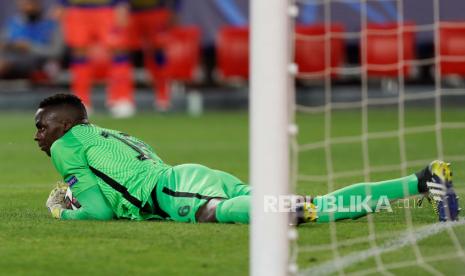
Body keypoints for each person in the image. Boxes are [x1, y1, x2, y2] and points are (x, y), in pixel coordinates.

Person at [36, 94, 460, 223]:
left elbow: (98, 212)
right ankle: (423, 179)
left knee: (215, 214)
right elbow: (114, 191)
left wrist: (62, 211)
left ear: (65, 124)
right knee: (324, 206)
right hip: (192, 175)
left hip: (171, 190)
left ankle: (282, 209)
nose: (39, 135)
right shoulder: (111, 133)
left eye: (44, 126)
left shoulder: (66, 145)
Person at [54, 0, 134, 118]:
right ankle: (81, 101)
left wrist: (122, 4)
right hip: (77, 9)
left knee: (118, 50)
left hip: (107, 8)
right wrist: (61, 4)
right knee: (79, 52)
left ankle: (121, 98)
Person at [126, 0, 180, 111]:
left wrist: (176, 9)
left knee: (158, 54)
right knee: (125, 51)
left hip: (157, 10)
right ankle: (124, 99)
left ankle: (163, 97)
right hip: (132, 12)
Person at [0, 0, 62, 79]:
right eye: (25, 3)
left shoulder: (51, 24)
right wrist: (8, 45)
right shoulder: (12, 23)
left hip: (38, 64)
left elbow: (57, 51)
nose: (29, 7)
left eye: (32, 3)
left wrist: (30, 46)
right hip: (12, 59)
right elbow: (3, 43)